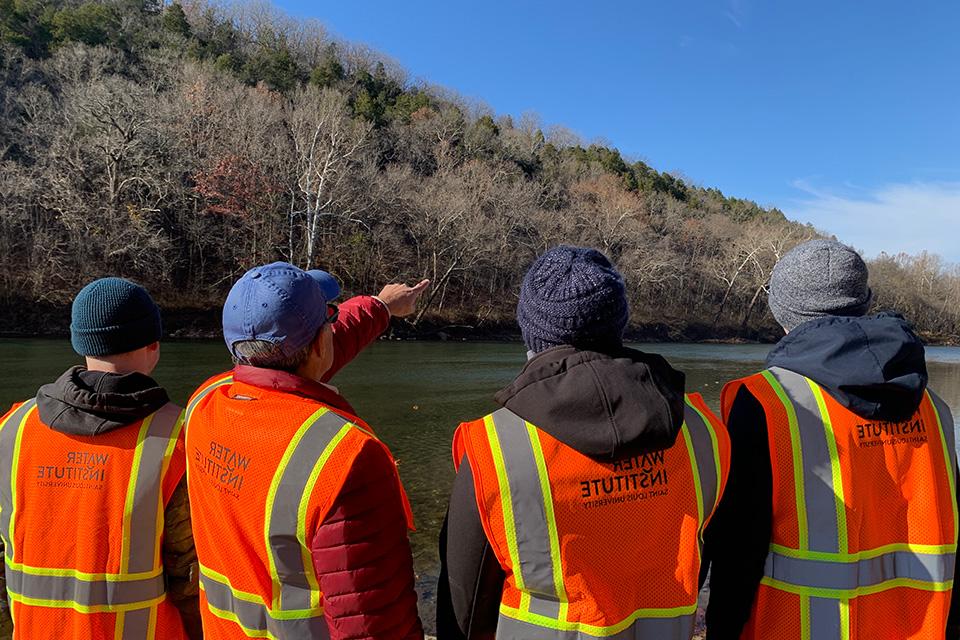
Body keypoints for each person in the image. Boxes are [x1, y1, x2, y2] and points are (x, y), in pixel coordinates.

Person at [437, 245, 730, 639]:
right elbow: (702, 555)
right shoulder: (703, 430)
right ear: (619, 325)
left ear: (531, 331)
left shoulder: (496, 446)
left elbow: (466, 601)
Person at [702, 239, 960, 640]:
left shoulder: (765, 402)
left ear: (783, 314)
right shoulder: (933, 406)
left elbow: (739, 548)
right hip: (919, 625)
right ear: (864, 302)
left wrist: (721, 629)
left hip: (796, 626)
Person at [184, 261, 428, 640]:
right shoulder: (345, 458)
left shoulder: (204, 401)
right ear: (318, 344)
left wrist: (380, 306)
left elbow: (302, 363)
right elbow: (371, 622)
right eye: (328, 322)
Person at [0, 277, 201, 639]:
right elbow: (188, 578)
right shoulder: (179, 438)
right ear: (153, 344)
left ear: (80, 342)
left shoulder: (13, 428)